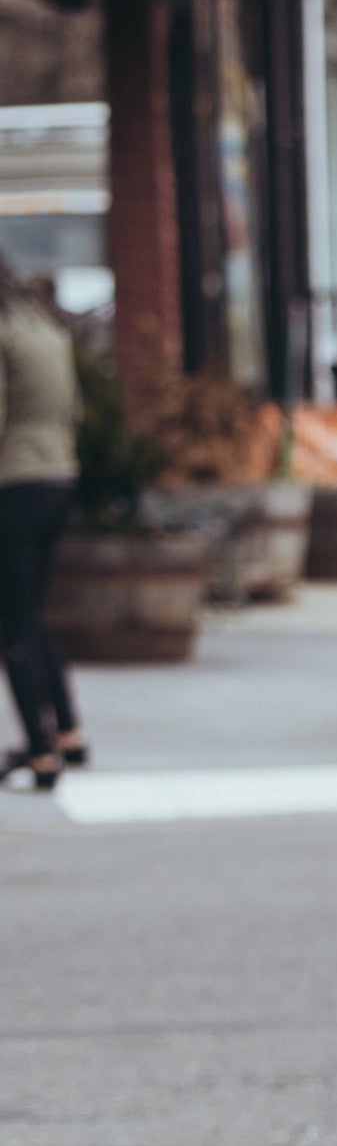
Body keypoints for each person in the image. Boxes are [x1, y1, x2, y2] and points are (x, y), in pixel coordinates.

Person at [0, 257, 84, 792]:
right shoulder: (44, 326)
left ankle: (39, 749)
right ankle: (69, 734)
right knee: (31, 612)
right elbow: (75, 409)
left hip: (17, 480)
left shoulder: (3, 334)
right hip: (59, 474)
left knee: (12, 622)